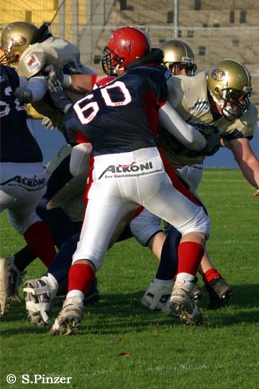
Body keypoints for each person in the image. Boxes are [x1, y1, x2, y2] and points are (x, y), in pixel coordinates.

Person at [39, 26, 217, 335]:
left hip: (104, 175)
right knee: (196, 223)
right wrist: (206, 142)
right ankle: (181, 290)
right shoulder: (145, 80)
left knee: (88, 250)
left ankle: (72, 303)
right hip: (145, 163)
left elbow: (78, 163)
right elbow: (187, 136)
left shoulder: (83, 107)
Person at [133, 40, 259, 311]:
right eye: (234, 96)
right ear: (217, 89)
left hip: (175, 167)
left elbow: (245, 156)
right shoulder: (182, 88)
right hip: (155, 163)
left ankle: (173, 285)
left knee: (154, 224)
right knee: (184, 223)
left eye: (242, 96)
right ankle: (200, 280)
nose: (240, 103)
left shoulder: (239, 114)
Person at [0, 21, 98, 308]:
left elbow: (39, 80)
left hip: (77, 146)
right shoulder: (14, 73)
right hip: (33, 168)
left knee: (50, 208)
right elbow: (38, 83)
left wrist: (41, 98)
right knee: (36, 216)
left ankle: (69, 278)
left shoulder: (34, 57)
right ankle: (69, 280)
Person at [0, 64, 57, 315]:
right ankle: (60, 275)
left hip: (2, 166)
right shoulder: (9, 74)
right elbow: (39, 82)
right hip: (34, 170)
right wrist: (29, 94)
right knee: (27, 219)